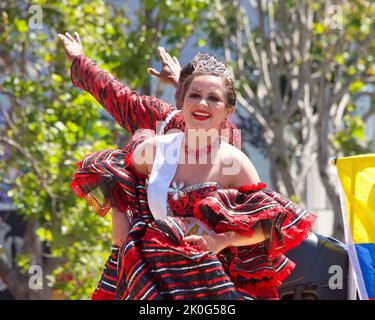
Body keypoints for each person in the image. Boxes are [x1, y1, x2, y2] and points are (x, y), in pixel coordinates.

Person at [59, 32, 316, 299]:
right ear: (181, 99)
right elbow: (119, 104)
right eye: (193, 94)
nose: (202, 103)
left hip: (211, 284)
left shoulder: (231, 154)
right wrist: (119, 213)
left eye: (213, 98)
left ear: (227, 110)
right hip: (153, 279)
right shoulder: (159, 134)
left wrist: (222, 240)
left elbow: (265, 221)